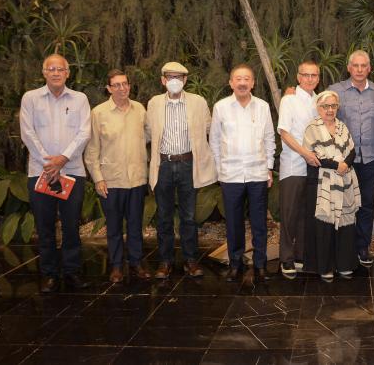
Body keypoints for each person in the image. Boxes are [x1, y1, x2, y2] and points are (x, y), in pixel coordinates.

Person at [19, 54, 91, 293]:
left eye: (60, 69)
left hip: (71, 171)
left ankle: (72, 272)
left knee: (72, 225)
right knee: (45, 225)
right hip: (40, 172)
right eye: (51, 69)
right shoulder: (30, 99)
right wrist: (48, 163)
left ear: (68, 73)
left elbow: (84, 133)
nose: (56, 72)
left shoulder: (80, 99)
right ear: (44, 73)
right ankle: (49, 274)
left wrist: (62, 159)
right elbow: (27, 133)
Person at [146, 61, 217, 279]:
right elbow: (148, 133)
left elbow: (211, 130)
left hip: (189, 164)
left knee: (188, 216)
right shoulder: (154, 103)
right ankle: (165, 261)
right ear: (163, 80)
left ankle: (190, 260)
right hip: (164, 165)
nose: (174, 81)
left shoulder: (198, 102)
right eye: (170, 77)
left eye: (179, 77)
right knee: (164, 217)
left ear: (185, 80)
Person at [328, 50, 374, 267]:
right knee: (343, 205)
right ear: (349, 68)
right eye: (355, 66)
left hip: (370, 159)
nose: (359, 70)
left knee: (366, 205)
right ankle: (343, 249)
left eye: (363, 66)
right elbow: (320, 110)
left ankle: (362, 248)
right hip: (343, 160)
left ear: (369, 68)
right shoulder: (335, 91)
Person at [210, 64, 276, 283]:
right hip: (231, 175)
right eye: (237, 79)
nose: (242, 82)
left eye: (246, 78)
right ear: (231, 83)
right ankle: (235, 264)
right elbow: (215, 142)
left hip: (257, 173)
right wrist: (221, 170)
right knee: (234, 223)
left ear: (253, 82)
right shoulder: (221, 107)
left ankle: (260, 265)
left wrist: (268, 169)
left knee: (259, 223)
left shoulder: (263, 106)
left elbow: (269, 139)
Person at [84, 69, 151, 283]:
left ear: (129, 86)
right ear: (109, 88)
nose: (122, 88)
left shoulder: (140, 109)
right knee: (113, 226)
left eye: (125, 84)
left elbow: (148, 136)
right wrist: (98, 178)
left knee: (135, 225)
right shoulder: (99, 113)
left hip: (137, 179)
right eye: (117, 85)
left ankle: (136, 263)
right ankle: (115, 266)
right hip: (110, 180)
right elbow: (92, 150)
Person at [302, 91, 360, 280]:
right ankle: (325, 266)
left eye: (333, 106)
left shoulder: (342, 126)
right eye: (326, 106)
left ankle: (344, 264)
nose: (330, 110)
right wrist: (338, 165)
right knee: (325, 224)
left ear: (337, 107)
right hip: (323, 183)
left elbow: (352, 150)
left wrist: (346, 164)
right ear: (318, 108)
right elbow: (313, 156)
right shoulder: (312, 128)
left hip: (345, 181)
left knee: (345, 222)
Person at [276, 61, 320, 279]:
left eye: (314, 75)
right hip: (294, 164)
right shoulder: (289, 100)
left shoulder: (319, 101)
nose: (310, 79)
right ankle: (286, 258)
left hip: (314, 169)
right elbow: (284, 133)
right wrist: (305, 154)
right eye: (306, 75)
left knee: (306, 214)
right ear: (298, 76)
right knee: (289, 214)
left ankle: (301, 255)